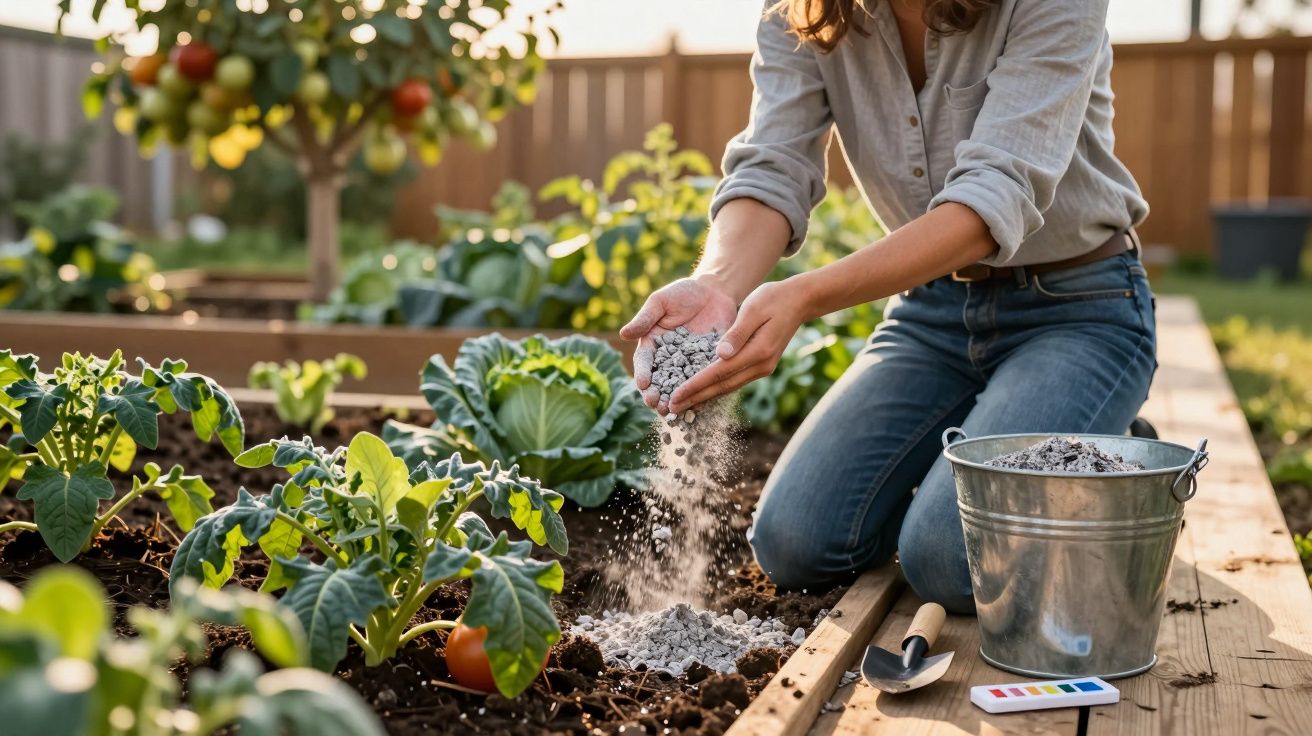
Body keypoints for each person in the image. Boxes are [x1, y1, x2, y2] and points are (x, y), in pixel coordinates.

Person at [619, 0, 1154, 614]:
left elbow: (992, 199)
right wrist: (717, 285)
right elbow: (772, 167)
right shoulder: (804, 10)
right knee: (796, 545)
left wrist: (806, 295)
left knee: (956, 563)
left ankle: (1102, 458)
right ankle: (1010, 459)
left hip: (1078, 310)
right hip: (932, 315)